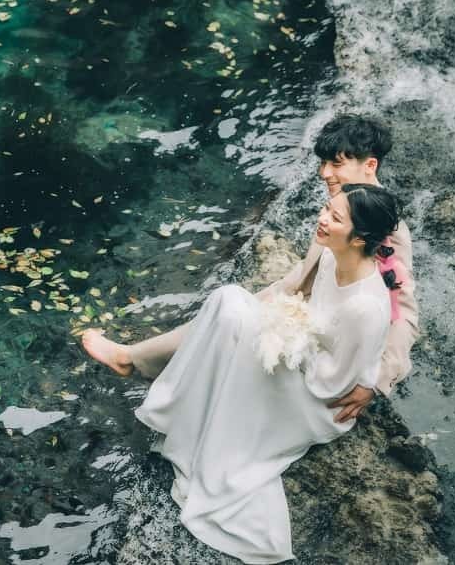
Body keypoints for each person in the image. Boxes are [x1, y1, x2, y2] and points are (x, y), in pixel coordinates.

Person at [82, 114, 418, 420]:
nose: (324, 172)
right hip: (299, 294)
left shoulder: (384, 228)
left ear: (369, 165)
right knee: (221, 312)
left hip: (321, 326)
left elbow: (401, 310)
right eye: (323, 162)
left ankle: (132, 361)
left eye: (335, 163)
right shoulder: (346, 199)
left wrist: (375, 383)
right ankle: (135, 359)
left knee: (227, 320)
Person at [131, 184, 400, 563]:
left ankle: (213, 449)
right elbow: (305, 305)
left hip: (317, 401)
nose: (322, 218)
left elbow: (333, 385)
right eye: (327, 208)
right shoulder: (330, 256)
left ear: (360, 240)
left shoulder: (365, 307)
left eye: (335, 218)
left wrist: (288, 335)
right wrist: (285, 326)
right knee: (228, 302)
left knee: (245, 338)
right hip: (300, 358)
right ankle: (179, 413)